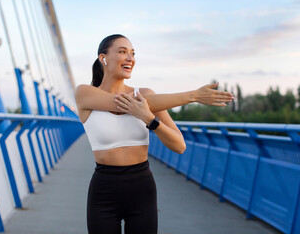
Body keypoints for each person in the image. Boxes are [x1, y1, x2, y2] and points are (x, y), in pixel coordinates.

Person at [75, 34, 234, 234]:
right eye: (122, 52)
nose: (130, 58)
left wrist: (150, 120)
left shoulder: (147, 95)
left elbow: (179, 146)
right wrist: (192, 96)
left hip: (142, 188)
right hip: (104, 191)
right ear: (103, 58)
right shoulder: (84, 93)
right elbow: (125, 103)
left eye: (133, 53)